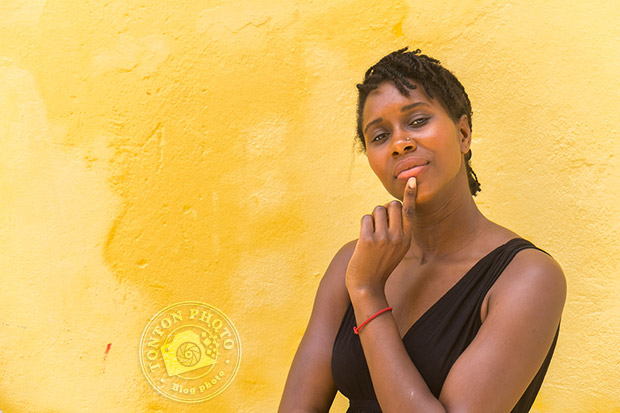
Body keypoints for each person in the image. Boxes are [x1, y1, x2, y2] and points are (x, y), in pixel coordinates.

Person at [279, 48, 566, 413]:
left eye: (416, 121)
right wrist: (361, 280)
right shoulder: (351, 263)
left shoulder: (528, 277)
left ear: (463, 134)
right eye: (380, 136)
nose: (401, 143)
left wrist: (368, 294)